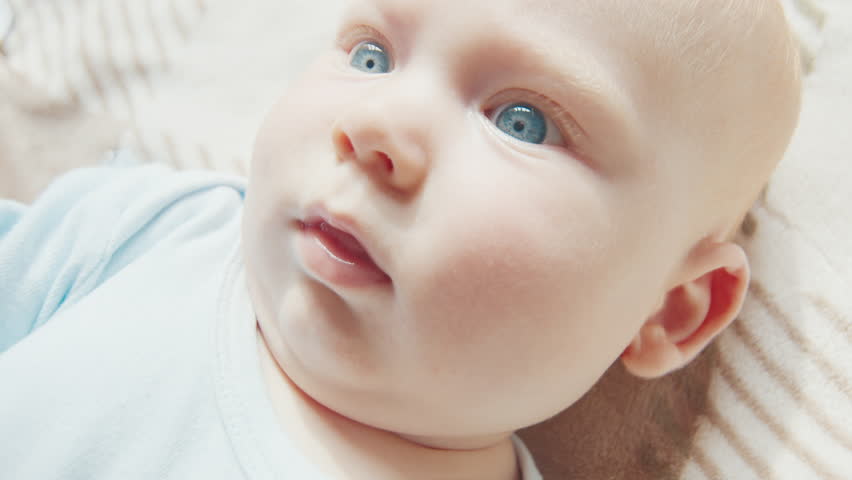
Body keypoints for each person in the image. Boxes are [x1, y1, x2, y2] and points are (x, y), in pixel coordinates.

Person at [0, 0, 802, 478]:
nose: (375, 126)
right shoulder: (152, 231)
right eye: (373, 54)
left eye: (521, 122)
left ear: (672, 311)